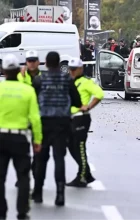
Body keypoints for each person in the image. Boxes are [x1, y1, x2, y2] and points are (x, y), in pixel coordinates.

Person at [32, 51, 82, 206]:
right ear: (59, 63)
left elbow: (33, 103)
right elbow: (76, 101)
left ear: (45, 63)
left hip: (43, 124)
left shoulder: (39, 80)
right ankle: (60, 194)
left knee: (41, 159)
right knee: (59, 158)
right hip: (62, 124)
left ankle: (38, 193)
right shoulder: (67, 79)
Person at [0, 54, 42, 220]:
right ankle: (22, 212)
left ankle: (1, 212)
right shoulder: (28, 90)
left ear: (3, 71)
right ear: (18, 70)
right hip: (20, 140)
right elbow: (35, 118)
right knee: (23, 177)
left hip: (0, 138)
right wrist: (37, 140)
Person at [66, 58, 104, 187]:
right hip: (70, 118)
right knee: (71, 147)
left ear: (80, 69)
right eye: (70, 69)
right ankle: (86, 173)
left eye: (74, 69)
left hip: (81, 117)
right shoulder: (69, 81)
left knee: (80, 147)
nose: (71, 72)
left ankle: (82, 176)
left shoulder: (86, 82)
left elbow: (99, 94)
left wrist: (88, 106)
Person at [14, 50, 41, 188]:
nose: (31, 63)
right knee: (23, 152)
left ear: (38, 62)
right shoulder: (20, 76)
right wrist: (23, 77)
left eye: (33, 60)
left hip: (37, 117)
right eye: (29, 60)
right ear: (26, 62)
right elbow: (20, 91)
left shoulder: (43, 77)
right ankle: (22, 177)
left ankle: (36, 176)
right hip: (23, 118)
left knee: (37, 151)